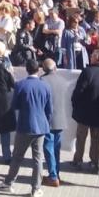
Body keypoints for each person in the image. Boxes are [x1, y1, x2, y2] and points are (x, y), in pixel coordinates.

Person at [0, 59, 52, 197]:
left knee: (17, 157)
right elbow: (49, 109)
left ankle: (9, 183)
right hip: (41, 126)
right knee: (37, 158)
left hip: (25, 125)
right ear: (38, 70)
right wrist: (46, 123)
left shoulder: (20, 85)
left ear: (26, 69)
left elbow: (15, 105)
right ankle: (35, 189)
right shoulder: (46, 86)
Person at [41, 58, 71, 188]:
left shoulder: (42, 81)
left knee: (48, 148)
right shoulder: (63, 81)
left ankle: (53, 176)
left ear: (44, 69)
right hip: (60, 118)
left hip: (47, 119)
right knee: (56, 148)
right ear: (55, 68)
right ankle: (56, 174)